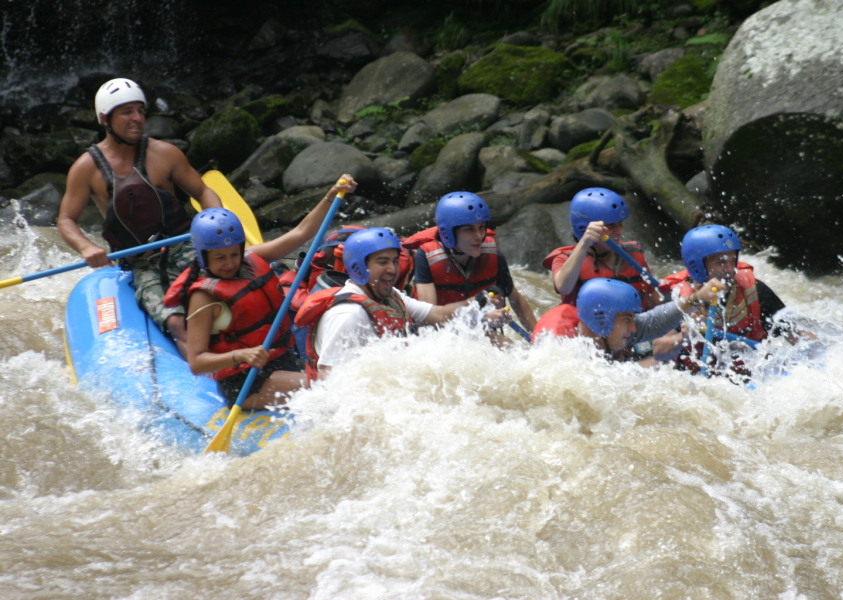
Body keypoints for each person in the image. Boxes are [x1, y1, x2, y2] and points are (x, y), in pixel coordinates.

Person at [57, 77, 222, 356]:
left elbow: (203, 191)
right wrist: (87, 247)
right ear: (105, 119)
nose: (137, 119)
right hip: (141, 264)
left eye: (140, 111)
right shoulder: (86, 168)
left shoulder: (165, 153)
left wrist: (217, 222)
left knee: (226, 292)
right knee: (175, 321)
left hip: (186, 246)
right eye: (127, 112)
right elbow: (65, 220)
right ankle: (204, 373)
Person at [163, 176, 358, 409]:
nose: (229, 263)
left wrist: (331, 195)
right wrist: (240, 355)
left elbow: (300, 233)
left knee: (349, 375)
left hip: (283, 360)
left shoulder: (250, 260)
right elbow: (197, 362)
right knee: (332, 387)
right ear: (204, 256)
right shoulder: (203, 297)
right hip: (246, 381)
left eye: (234, 254)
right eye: (220, 258)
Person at [295, 227, 509, 380]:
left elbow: (439, 314)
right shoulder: (348, 315)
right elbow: (328, 376)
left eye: (395, 261)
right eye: (382, 262)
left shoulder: (391, 296)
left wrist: (478, 302)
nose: (392, 269)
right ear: (359, 267)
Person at [658, 224, 804, 374]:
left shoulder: (753, 289)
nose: (729, 269)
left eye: (732, 261)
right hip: (697, 380)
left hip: (749, 375)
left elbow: (798, 335)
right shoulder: (677, 298)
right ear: (697, 266)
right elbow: (658, 350)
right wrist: (683, 337)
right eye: (721, 262)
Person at [402, 191, 537, 335]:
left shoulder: (494, 256)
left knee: (506, 346)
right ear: (448, 233)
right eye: (469, 230)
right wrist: (480, 316)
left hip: (481, 330)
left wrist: (538, 338)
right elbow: (430, 319)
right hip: (441, 334)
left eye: (481, 227)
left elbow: (517, 302)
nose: (479, 236)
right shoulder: (426, 257)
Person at [533, 277, 721, 366]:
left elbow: (654, 321)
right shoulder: (558, 350)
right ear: (602, 319)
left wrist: (696, 298)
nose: (633, 328)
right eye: (627, 320)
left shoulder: (607, 328)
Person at [542, 187, 661, 310]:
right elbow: (563, 287)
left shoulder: (633, 255)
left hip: (632, 325)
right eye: (611, 226)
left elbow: (654, 302)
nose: (619, 231)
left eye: (620, 224)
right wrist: (584, 243)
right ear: (585, 228)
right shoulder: (563, 258)